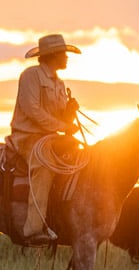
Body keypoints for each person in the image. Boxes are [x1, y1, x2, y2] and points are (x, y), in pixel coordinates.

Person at [7, 33, 82, 243]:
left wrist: (68, 111)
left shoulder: (59, 83)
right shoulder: (31, 76)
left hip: (50, 137)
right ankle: (33, 229)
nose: (67, 58)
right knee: (44, 164)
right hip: (26, 136)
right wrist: (62, 125)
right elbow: (32, 110)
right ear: (53, 55)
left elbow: (57, 115)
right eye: (64, 54)